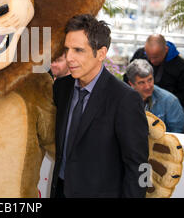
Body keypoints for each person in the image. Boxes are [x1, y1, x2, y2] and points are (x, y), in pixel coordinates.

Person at [50, 14, 148, 198]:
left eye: (78, 50)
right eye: (67, 49)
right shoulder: (61, 88)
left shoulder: (125, 99)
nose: (69, 58)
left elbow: (139, 166)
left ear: (101, 53)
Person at [124, 34, 184, 108]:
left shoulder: (182, 67)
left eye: (156, 57)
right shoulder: (140, 54)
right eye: (149, 57)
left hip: (166, 107)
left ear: (166, 50)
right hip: (138, 102)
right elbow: (127, 78)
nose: (152, 61)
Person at [126, 59, 184, 133]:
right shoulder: (122, 99)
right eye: (141, 82)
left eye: (150, 80)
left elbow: (178, 134)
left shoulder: (170, 101)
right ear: (131, 84)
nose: (147, 86)